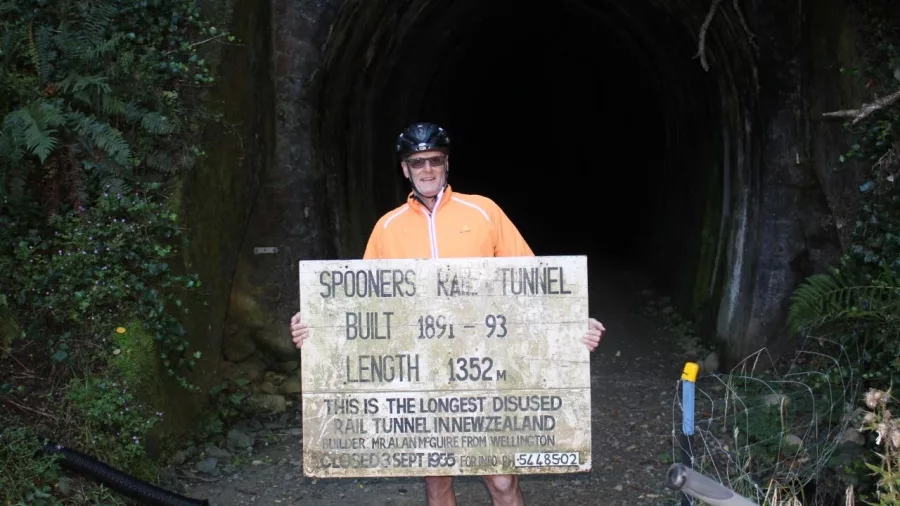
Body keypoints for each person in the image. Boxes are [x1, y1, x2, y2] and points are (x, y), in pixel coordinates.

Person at [289, 122, 606, 506]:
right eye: (417, 162)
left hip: (486, 364)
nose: (426, 170)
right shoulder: (387, 228)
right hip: (422, 373)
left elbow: (532, 282)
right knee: (438, 483)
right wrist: (316, 329)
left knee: (502, 481)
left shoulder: (484, 212)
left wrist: (573, 322)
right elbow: (362, 305)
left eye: (434, 161)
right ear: (405, 169)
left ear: (446, 164)